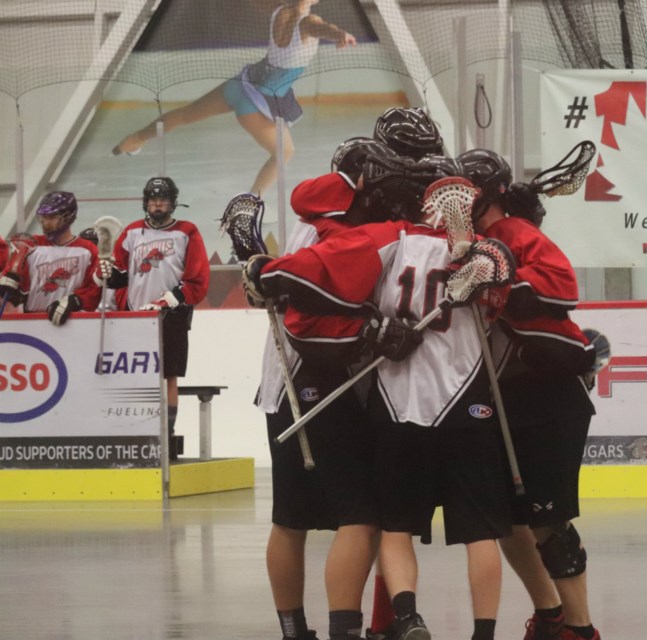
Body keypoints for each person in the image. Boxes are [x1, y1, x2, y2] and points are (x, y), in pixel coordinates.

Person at [243, 157, 513, 640]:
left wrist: (263, 268)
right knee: (464, 530)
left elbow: (299, 278)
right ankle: (477, 633)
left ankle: (396, 617)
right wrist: (370, 328)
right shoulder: (480, 249)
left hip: (395, 402)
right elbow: (503, 283)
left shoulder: (383, 235)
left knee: (382, 522)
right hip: (458, 395)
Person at [253, 138, 400, 640]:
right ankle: (345, 633)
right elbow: (316, 297)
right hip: (312, 378)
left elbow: (273, 288)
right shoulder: (342, 226)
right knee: (361, 515)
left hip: (280, 384)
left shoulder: (310, 218)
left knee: (289, 518)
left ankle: (294, 632)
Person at [459, 148, 605, 640]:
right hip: (501, 401)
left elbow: (563, 289)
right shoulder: (468, 241)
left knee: (550, 523)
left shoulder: (516, 235)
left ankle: (580, 630)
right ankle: (550, 614)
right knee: (504, 520)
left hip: (548, 398)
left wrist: (503, 277)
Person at [111, 0, 356, 195]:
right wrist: (340, 34)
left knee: (186, 114)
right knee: (284, 153)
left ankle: (133, 140)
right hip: (256, 102)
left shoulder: (279, 10)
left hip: (241, 84)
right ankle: (247, 208)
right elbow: (322, 28)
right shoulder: (309, 20)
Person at [99, 177, 210, 461]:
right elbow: (121, 275)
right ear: (145, 202)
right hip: (135, 315)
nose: (157, 205)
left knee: (168, 375)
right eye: (152, 200)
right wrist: (104, 274)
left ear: (173, 202)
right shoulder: (133, 232)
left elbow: (197, 280)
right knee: (136, 374)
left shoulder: (187, 231)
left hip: (171, 315)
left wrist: (165, 301)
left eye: (162, 200)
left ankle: (166, 433)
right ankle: (136, 432)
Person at [0, 191, 100, 325]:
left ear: (68, 217)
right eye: (44, 217)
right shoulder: (30, 245)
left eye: (52, 217)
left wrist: (76, 300)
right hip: (31, 320)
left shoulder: (88, 250)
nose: (46, 222)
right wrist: (10, 281)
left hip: (72, 322)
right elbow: (17, 287)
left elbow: (93, 289)